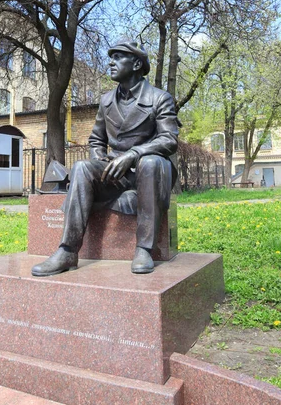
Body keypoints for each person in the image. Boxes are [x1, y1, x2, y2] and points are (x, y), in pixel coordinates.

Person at [31, 40, 179, 276]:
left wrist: (133, 154)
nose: (111, 62)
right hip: (115, 173)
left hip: (147, 171)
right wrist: (101, 161)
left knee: (150, 163)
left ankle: (144, 248)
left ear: (137, 64)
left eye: (118, 57)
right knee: (81, 167)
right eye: (111, 57)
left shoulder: (159, 98)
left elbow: (169, 139)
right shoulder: (106, 100)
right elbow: (97, 140)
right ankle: (67, 250)